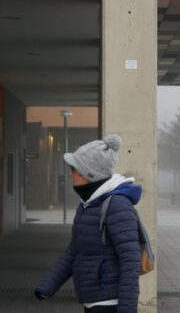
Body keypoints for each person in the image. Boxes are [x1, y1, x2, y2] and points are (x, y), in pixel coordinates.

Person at [34, 134, 142, 313]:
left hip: (109, 303)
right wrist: (47, 286)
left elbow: (130, 261)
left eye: (74, 169)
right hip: (92, 300)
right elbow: (74, 250)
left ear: (90, 173)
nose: (70, 173)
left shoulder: (117, 205)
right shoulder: (89, 205)